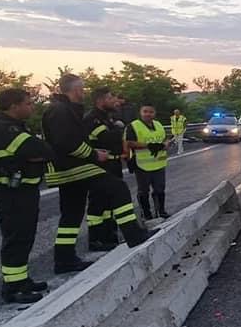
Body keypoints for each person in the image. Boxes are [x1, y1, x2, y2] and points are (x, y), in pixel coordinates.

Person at [43, 74, 151, 273]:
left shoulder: (66, 110)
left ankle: (64, 260)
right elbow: (66, 142)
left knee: (71, 215)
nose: (83, 93)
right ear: (75, 90)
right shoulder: (60, 111)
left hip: (69, 166)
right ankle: (133, 234)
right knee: (117, 188)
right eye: (82, 89)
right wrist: (94, 154)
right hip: (72, 166)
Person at [0, 88, 54, 303]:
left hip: (23, 191)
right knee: (15, 239)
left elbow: (43, 151)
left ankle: (22, 281)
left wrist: (35, 156)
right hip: (10, 193)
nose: (32, 107)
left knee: (24, 238)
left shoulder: (16, 127)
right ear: (14, 106)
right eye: (28, 103)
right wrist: (36, 155)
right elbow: (41, 149)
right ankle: (12, 289)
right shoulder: (3, 128)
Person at [84, 87, 125, 252]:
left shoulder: (107, 117)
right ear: (100, 101)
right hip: (100, 165)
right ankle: (95, 240)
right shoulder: (92, 118)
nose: (113, 101)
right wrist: (119, 129)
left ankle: (109, 236)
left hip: (113, 164)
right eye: (110, 98)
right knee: (98, 203)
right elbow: (108, 139)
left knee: (110, 204)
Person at [126, 103, 171, 219]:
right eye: (145, 111)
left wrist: (166, 144)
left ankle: (161, 211)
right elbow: (129, 142)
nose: (148, 114)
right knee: (143, 191)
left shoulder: (158, 124)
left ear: (154, 113)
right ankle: (146, 214)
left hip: (159, 164)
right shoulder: (133, 126)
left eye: (151, 112)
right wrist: (149, 146)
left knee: (160, 189)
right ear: (140, 113)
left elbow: (165, 138)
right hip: (142, 165)